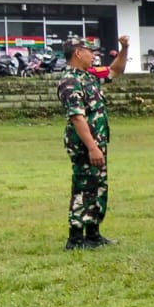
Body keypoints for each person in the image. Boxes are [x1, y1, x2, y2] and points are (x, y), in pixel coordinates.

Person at [58, 33, 129, 250]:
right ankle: (76, 238)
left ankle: (93, 234)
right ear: (78, 53)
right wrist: (92, 147)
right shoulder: (70, 82)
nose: (94, 56)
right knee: (83, 187)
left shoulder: (89, 75)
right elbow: (77, 117)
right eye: (90, 52)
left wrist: (124, 49)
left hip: (97, 143)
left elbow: (115, 71)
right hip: (85, 145)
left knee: (98, 187)